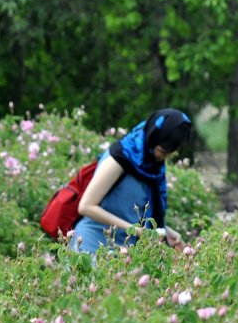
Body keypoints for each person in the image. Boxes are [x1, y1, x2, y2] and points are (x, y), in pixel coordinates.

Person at [72, 108, 192, 255]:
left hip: (125, 251)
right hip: (92, 245)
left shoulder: (151, 166)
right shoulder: (120, 158)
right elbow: (86, 206)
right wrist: (135, 231)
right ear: (152, 138)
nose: (164, 157)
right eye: (162, 151)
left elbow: (133, 212)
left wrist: (165, 231)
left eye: (169, 153)